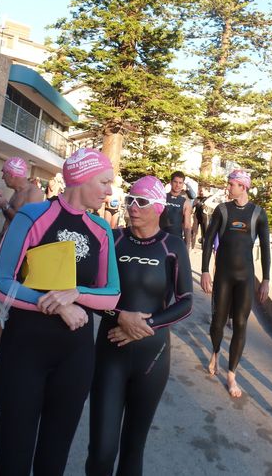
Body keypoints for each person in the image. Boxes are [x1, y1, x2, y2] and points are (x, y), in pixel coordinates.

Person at [0, 148, 121, 476]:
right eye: (104, 182)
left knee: (54, 460)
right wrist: (57, 305)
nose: (109, 191)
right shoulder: (34, 215)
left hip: (75, 358)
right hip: (24, 352)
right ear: (82, 178)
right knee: (13, 460)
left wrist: (77, 293)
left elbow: (112, 295)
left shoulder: (101, 229)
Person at [86, 176, 192, 476]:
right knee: (101, 452)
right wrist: (121, 316)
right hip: (111, 353)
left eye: (141, 201)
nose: (132, 207)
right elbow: (89, 293)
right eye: (130, 199)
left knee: (133, 451)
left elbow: (185, 302)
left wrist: (147, 324)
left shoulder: (172, 246)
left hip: (152, 357)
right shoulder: (113, 239)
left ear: (158, 207)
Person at [201, 169, 271, 398]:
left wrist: (266, 279)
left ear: (243, 186)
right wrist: (205, 271)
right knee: (218, 322)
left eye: (231, 184)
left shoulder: (258, 214)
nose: (228, 187)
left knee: (241, 323)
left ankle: (231, 374)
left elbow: (266, 248)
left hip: (245, 277)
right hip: (223, 275)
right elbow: (208, 240)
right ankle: (215, 352)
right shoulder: (222, 210)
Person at [0, 157, 44, 369]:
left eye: (4, 172)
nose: (2, 176)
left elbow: (27, 225)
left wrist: (5, 205)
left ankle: (12, 351)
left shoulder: (34, 193)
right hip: (3, 249)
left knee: (17, 303)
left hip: (20, 254)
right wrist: (2, 204)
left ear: (13, 174)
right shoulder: (16, 192)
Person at [159, 170, 192, 250]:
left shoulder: (186, 202)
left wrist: (187, 246)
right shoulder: (162, 198)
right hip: (159, 239)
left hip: (175, 241)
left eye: (180, 183)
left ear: (183, 184)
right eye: (175, 182)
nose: (177, 185)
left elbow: (187, 226)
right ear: (171, 182)